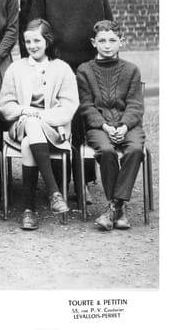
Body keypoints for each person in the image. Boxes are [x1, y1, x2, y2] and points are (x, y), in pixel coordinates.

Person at [30, 0, 113, 196]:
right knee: (60, 123)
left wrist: (104, 63)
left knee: (85, 122)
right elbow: (34, 29)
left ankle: (83, 181)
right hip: (56, 67)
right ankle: (61, 181)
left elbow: (107, 26)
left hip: (88, 67)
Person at [0, 19, 79, 230]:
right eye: (28, 41)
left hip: (54, 128)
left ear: (47, 41)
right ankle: (54, 191)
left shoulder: (62, 69)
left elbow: (69, 106)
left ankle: (29, 209)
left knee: (29, 142)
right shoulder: (16, 68)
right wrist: (25, 111)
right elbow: (5, 105)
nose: (32, 46)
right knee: (31, 124)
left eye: (37, 41)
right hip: (21, 125)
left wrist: (41, 116)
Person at [76, 20, 145, 231]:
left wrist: (124, 126)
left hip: (128, 126)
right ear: (93, 42)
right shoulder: (85, 70)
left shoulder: (131, 70)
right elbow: (86, 106)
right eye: (102, 41)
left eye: (112, 40)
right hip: (99, 127)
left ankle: (115, 207)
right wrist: (105, 126)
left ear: (121, 42)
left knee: (135, 149)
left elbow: (135, 105)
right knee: (106, 151)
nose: (107, 45)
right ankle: (120, 210)